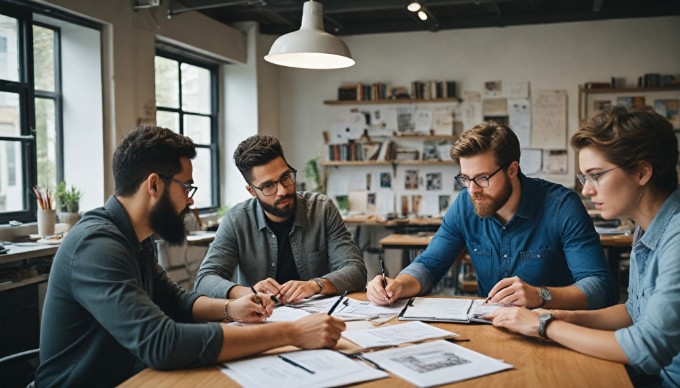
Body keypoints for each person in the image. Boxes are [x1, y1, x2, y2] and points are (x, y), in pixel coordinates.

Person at [36, 126, 345, 386]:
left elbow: (178, 302)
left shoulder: (135, 239)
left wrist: (231, 308)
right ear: (154, 184)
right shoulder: (96, 245)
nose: (189, 200)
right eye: (186, 187)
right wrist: (290, 332)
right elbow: (162, 343)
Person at [486, 106, 680, 387]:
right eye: (584, 177)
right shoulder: (646, 228)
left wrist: (544, 326)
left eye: (596, 175)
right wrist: (561, 316)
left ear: (642, 172)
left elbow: (646, 348)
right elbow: (633, 312)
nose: (587, 190)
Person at [368, 121, 616, 310]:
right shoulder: (465, 205)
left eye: (483, 178)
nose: (473, 190)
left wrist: (540, 296)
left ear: (512, 170)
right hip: (493, 326)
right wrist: (399, 284)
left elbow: (600, 286)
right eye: (465, 179)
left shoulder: (561, 207)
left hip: (553, 327)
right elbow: (430, 265)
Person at [195, 135, 366, 304]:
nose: (282, 191)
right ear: (252, 191)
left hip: (318, 318)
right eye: (269, 185)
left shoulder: (322, 210)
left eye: (285, 177)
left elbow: (355, 270)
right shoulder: (236, 220)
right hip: (261, 321)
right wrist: (249, 292)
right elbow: (204, 280)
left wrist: (316, 285)